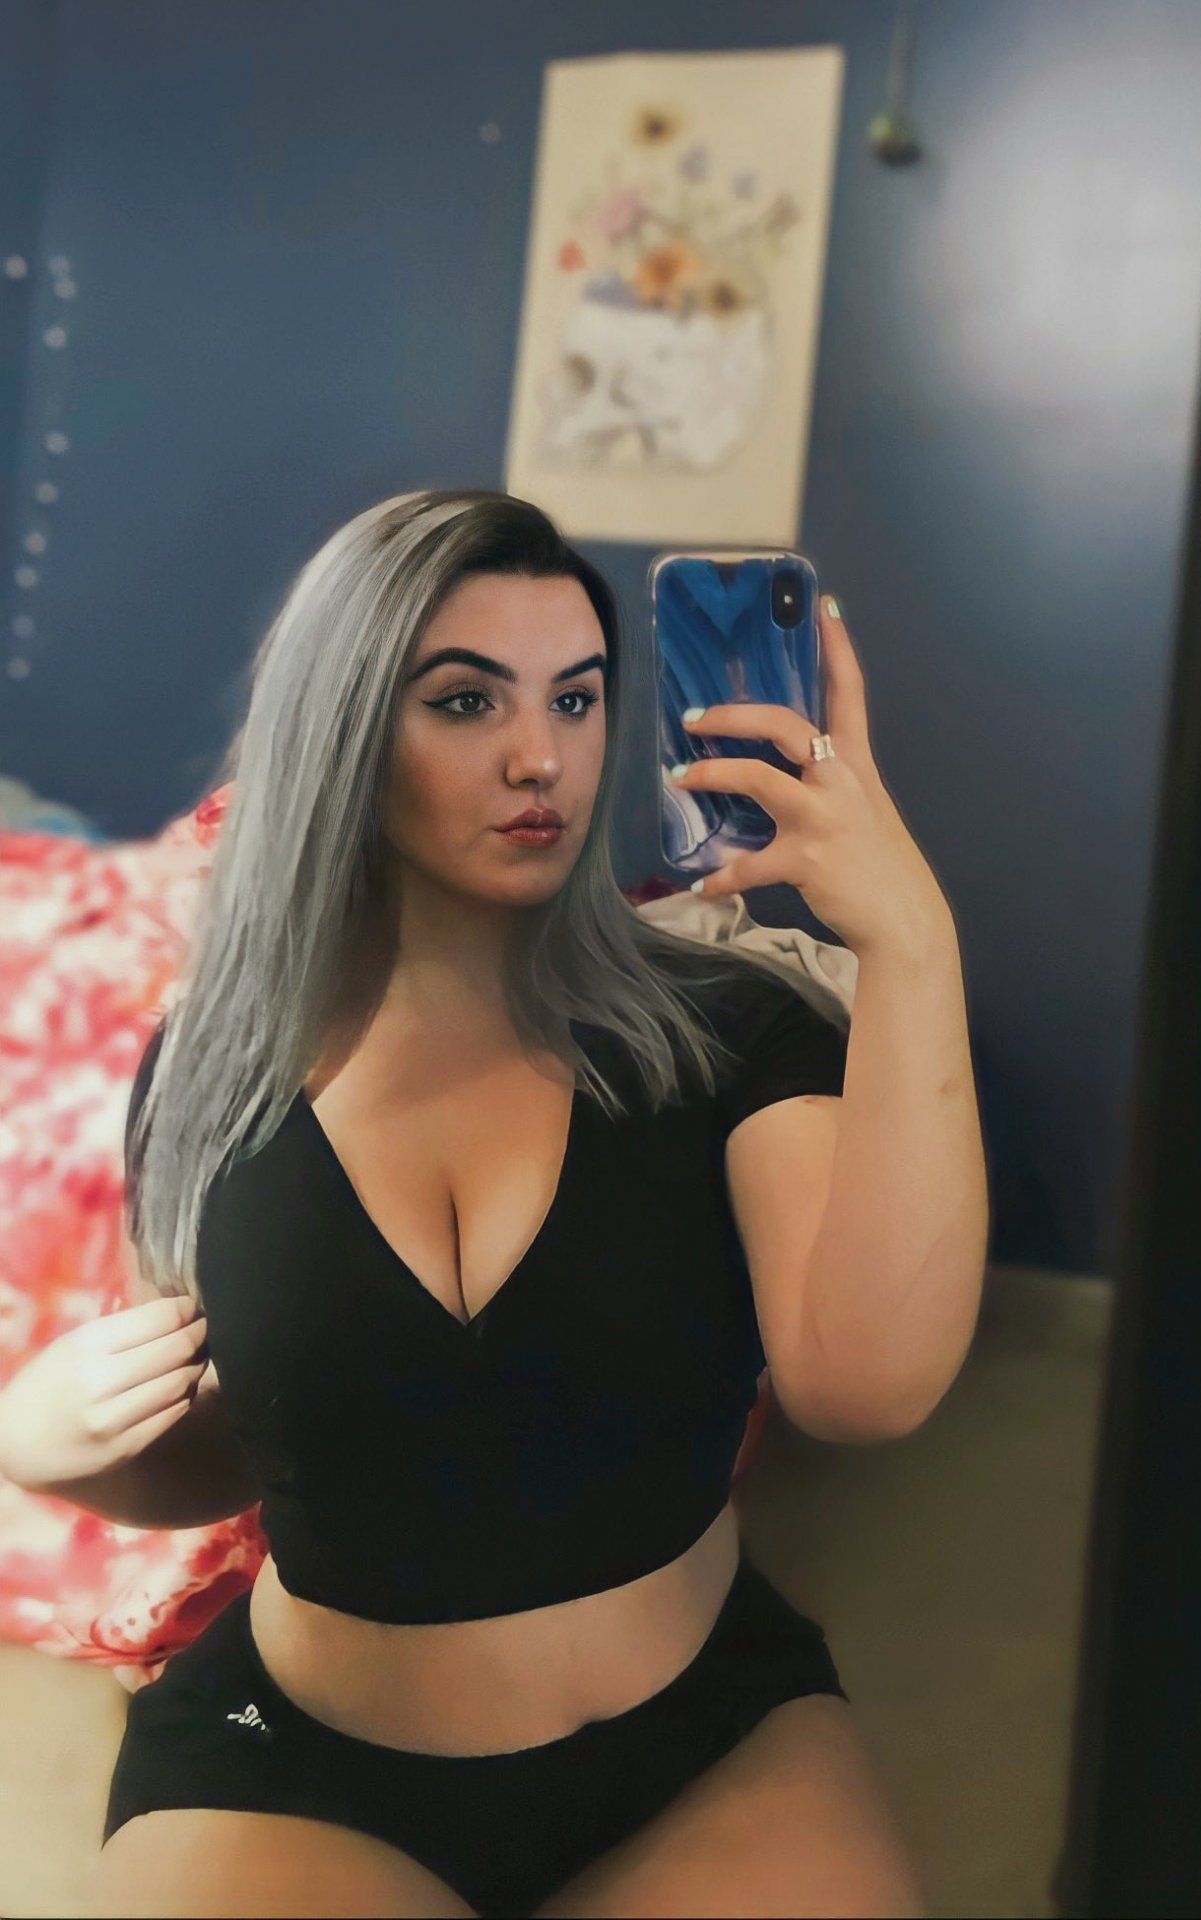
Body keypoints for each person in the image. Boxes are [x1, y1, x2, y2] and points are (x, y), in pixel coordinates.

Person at [5, 490, 978, 1917]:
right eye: (467, 701)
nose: (542, 757)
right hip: (296, 1760)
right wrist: (38, 1442)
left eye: (575, 698)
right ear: (341, 726)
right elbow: (241, 1445)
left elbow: (865, 1385)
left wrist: (910, 942)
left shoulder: (727, 1030)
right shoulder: (207, 1069)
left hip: (701, 1748)